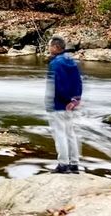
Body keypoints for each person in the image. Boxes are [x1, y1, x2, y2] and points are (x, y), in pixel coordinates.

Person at [45, 34, 82, 173]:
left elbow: (58, 85)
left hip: (59, 104)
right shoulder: (71, 61)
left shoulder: (55, 63)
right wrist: (75, 99)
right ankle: (74, 164)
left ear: (55, 47)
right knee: (70, 133)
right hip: (71, 104)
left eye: (49, 46)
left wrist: (66, 100)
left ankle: (63, 164)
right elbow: (78, 81)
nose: (48, 48)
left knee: (60, 134)